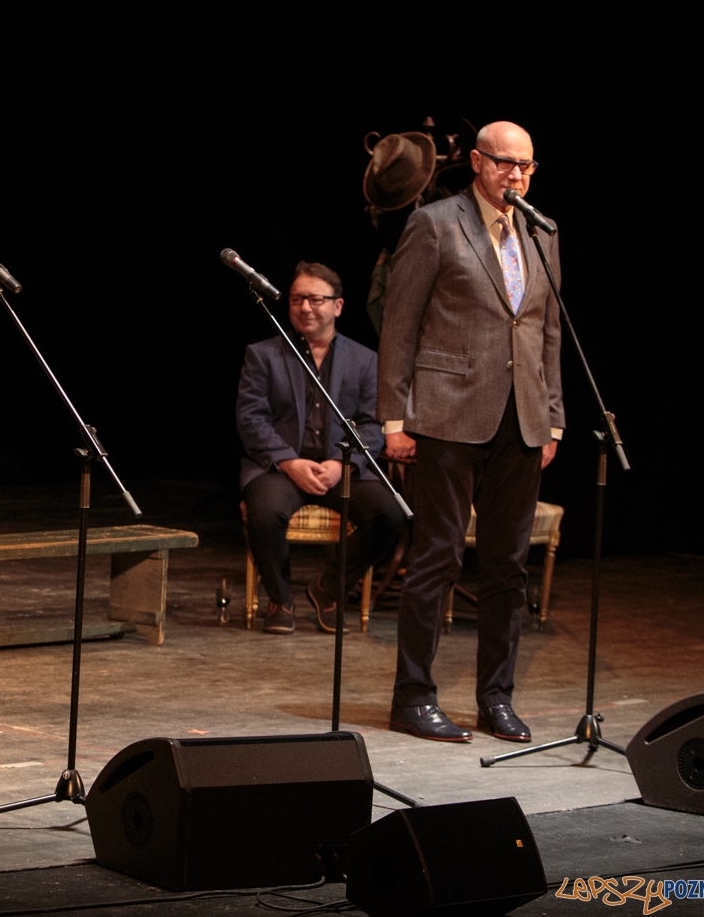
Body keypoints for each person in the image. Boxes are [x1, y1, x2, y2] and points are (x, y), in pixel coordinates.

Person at [378, 120, 562, 743]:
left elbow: (547, 331)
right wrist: (395, 417)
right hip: (448, 413)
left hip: (523, 419)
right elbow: (399, 325)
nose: (516, 175)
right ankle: (412, 697)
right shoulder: (436, 224)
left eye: (526, 165)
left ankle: (496, 698)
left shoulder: (541, 230)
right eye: (505, 162)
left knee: (508, 567)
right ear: (479, 162)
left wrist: (553, 416)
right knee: (438, 557)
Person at [237, 262, 403, 634]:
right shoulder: (263, 354)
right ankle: (280, 599)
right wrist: (288, 461)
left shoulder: (364, 360)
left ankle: (329, 588)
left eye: (315, 299)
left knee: (390, 515)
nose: (305, 307)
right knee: (264, 513)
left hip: (338, 467)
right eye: (297, 299)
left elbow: (371, 424)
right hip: (280, 468)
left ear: (337, 306)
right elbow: (251, 419)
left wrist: (344, 465)